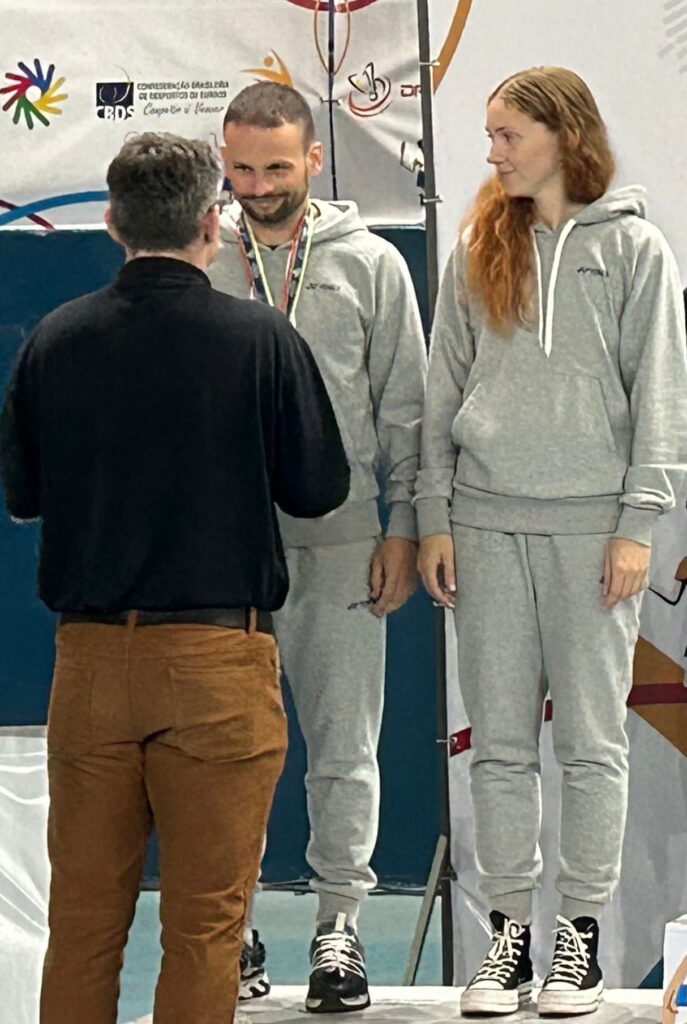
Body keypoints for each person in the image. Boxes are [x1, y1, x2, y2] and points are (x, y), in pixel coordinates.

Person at [0, 131, 349, 1024]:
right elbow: (319, 489)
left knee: (83, 923)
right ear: (211, 222)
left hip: (92, 663)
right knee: (205, 926)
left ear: (113, 223)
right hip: (216, 662)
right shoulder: (262, 339)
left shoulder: (54, 340)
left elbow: (23, 495)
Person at [416, 67, 687, 1017]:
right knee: (497, 747)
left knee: (590, 745)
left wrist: (636, 525)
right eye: (489, 135)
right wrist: (435, 516)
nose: (491, 153)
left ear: (563, 135)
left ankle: (577, 941)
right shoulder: (475, 250)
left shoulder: (635, 249)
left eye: (506, 135)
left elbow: (661, 399)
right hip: (484, 526)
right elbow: (441, 394)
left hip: (591, 534)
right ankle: (507, 942)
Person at [207, 81, 427, 1013]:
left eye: (275, 167)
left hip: (341, 541)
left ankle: (340, 924)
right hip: (222, 550)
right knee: (226, 752)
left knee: (343, 746)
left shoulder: (370, 263)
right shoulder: (203, 258)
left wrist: (403, 527)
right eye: (240, 169)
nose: (257, 186)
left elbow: (407, 409)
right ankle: (234, 927)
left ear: (314, 160)